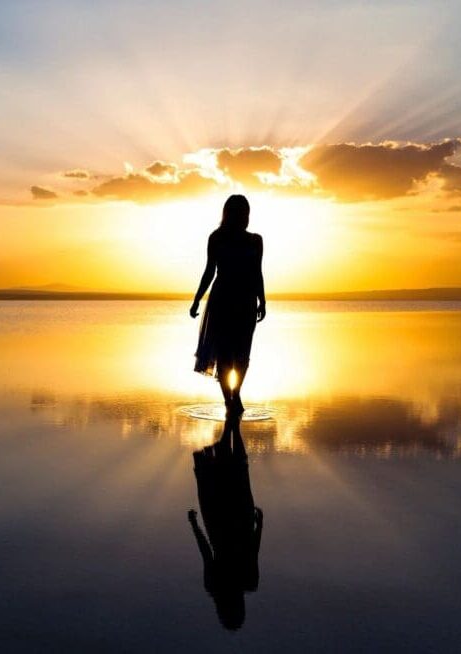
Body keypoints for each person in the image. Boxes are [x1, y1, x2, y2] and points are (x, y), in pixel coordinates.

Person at [190, 194, 266, 416]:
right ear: (230, 214)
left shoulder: (256, 241)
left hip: (246, 301)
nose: (244, 217)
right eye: (240, 212)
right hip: (222, 300)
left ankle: (235, 396)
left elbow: (257, 273)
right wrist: (196, 299)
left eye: (245, 212)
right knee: (224, 355)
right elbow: (209, 272)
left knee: (242, 354)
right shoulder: (217, 238)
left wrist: (263, 299)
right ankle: (230, 401)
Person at [188, 415, 263, 631]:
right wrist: (194, 525)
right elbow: (207, 552)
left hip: (235, 521)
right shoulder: (235, 583)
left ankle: (232, 422)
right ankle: (232, 420)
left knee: (238, 468)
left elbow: (253, 550)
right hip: (222, 522)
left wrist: (260, 525)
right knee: (233, 470)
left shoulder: (247, 582)